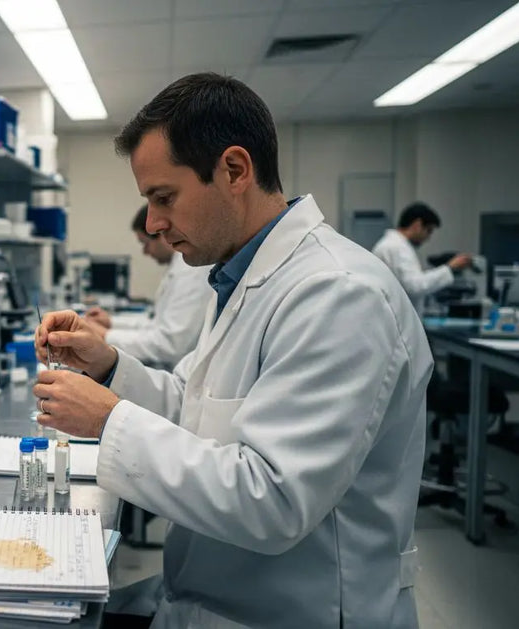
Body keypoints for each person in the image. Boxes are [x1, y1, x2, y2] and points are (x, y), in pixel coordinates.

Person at [33, 73, 430, 628]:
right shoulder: (241, 277)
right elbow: (198, 409)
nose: (153, 224)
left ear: (235, 171)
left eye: (163, 197)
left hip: (297, 611)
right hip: (215, 597)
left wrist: (109, 421)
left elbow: (273, 501)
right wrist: (111, 367)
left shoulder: (339, 294)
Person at [85, 206, 210, 369]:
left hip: (176, 374)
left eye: (145, 243)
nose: (145, 252)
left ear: (162, 235)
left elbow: (170, 344)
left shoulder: (190, 271)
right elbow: (154, 324)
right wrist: (110, 322)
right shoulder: (177, 268)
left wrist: (105, 336)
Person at [371, 203, 473, 315]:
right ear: (417, 224)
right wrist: (450, 268)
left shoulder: (393, 245)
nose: (428, 238)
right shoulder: (397, 247)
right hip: (397, 320)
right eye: (428, 231)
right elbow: (415, 286)